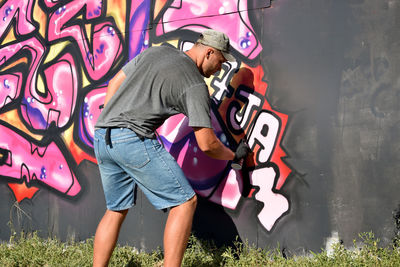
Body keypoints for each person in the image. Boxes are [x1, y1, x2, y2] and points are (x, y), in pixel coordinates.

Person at [92, 29, 250, 267]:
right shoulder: (195, 85)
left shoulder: (157, 52)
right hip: (132, 138)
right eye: (220, 61)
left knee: (115, 209)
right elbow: (207, 144)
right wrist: (233, 155)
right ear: (209, 52)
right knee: (185, 202)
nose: (220, 68)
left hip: (103, 135)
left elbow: (115, 82)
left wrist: (109, 119)